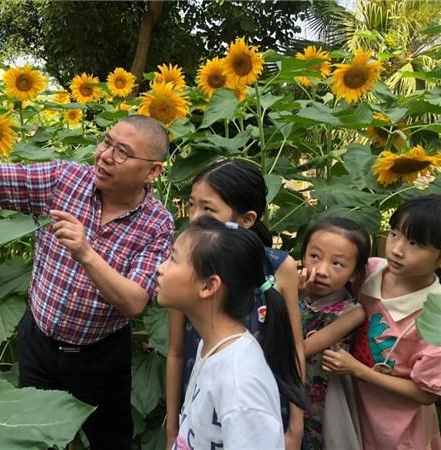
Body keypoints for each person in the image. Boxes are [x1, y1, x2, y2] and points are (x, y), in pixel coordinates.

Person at [0, 77, 174, 449]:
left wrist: (85, 252)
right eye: (106, 143)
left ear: (152, 171)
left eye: (123, 153)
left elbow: (133, 301)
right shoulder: (63, 180)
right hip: (39, 342)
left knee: (109, 441)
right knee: (32, 439)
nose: (105, 156)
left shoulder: (157, 224)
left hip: (100, 354)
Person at [165, 160, 305, 449]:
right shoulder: (188, 275)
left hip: (251, 406)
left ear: (247, 219)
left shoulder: (279, 267)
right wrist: (172, 430)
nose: (194, 218)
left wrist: (295, 426)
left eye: (208, 209)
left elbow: (293, 348)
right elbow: (177, 352)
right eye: (192, 205)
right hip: (202, 409)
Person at [323, 194, 441, 450]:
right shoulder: (368, 271)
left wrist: (358, 370)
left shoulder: (436, 316)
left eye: (415, 243)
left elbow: (425, 393)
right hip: (347, 408)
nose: (397, 249)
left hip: (397, 431)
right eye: (395, 233)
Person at [298, 217, 369, 450]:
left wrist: (291, 296)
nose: (321, 271)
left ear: (354, 273)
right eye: (314, 256)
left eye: (337, 264)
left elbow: (302, 349)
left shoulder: (351, 313)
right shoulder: (291, 292)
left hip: (322, 403)